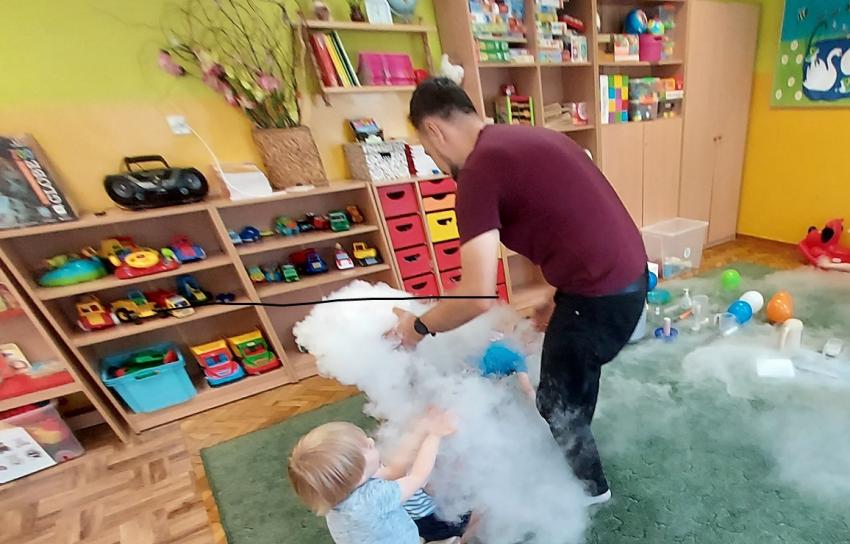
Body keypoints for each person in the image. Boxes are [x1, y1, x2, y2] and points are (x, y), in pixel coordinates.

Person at [388, 78, 648, 505]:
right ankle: (574, 437)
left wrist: (416, 328)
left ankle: (591, 489)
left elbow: (476, 295)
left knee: (555, 401)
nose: (436, 161)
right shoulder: (521, 137)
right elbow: (568, 220)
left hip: (601, 296)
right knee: (572, 376)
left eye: (428, 150)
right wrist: (555, 296)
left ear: (434, 130)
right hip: (627, 277)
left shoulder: (479, 171)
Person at [288, 410, 456, 544]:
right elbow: (418, 477)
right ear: (356, 472)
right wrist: (435, 435)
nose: (371, 440)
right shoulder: (372, 499)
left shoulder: (336, 492)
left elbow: (394, 470)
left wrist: (421, 429)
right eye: (366, 447)